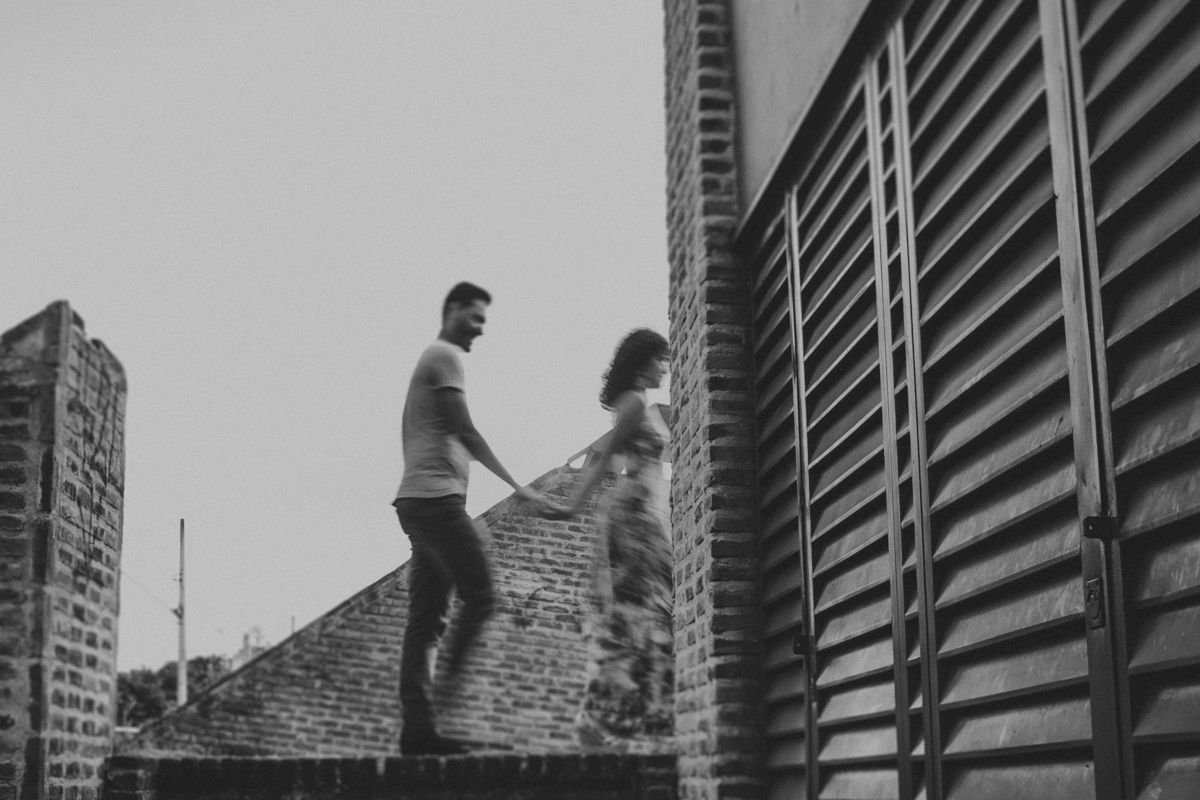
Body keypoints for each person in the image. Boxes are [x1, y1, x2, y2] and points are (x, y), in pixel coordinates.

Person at [393, 281, 546, 756]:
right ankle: (446, 701)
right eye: (475, 317)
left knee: (426, 620)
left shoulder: (435, 358)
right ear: (453, 309)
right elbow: (467, 432)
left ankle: (418, 730)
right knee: (481, 595)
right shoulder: (444, 355)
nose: (480, 329)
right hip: (435, 502)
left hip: (423, 503)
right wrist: (520, 487)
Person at [546, 328, 674, 750]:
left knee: (642, 615)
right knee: (642, 614)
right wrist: (572, 505)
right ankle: (607, 721)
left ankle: (614, 719)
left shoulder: (638, 403)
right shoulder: (634, 403)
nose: (664, 368)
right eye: (659, 359)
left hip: (643, 518)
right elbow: (604, 460)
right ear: (641, 363)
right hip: (633, 518)